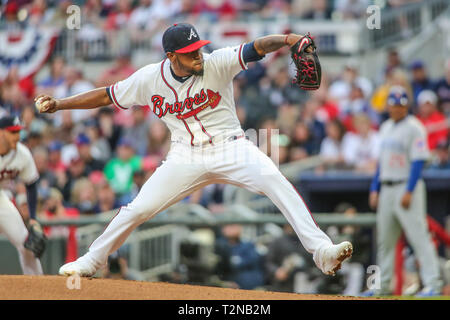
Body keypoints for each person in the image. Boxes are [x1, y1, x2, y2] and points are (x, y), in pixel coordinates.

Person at [35, 23, 352, 278]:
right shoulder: (150, 79)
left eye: (198, 48)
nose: (199, 55)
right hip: (184, 156)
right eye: (189, 53)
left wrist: (287, 38)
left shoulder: (216, 62)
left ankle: (322, 251)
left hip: (231, 147)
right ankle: (92, 260)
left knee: (275, 180)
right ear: (172, 57)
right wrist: (61, 104)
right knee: (138, 209)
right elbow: (106, 95)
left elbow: (257, 48)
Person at [367, 86, 443, 296]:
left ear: (406, 106)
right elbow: (381, 164)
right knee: (385, 241)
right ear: (388, 105)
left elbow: (418, 161)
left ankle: (433, 285)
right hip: (387, 187)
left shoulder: (415, 127)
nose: (397, 108)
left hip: (407, 186)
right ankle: (380, 286)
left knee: (419, 238)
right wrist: (375, 188)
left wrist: (409, 190)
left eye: (401, 105)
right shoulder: (385, 127)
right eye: (394, 104)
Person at [0, 115, 43, 275]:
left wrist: (33, 218)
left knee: (27, 243)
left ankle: (39, 287)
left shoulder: (23, 154)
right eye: (12, 132)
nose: (17, 136)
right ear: (1, 133)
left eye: (18, 132)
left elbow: (31, 185)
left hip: (1, 200)